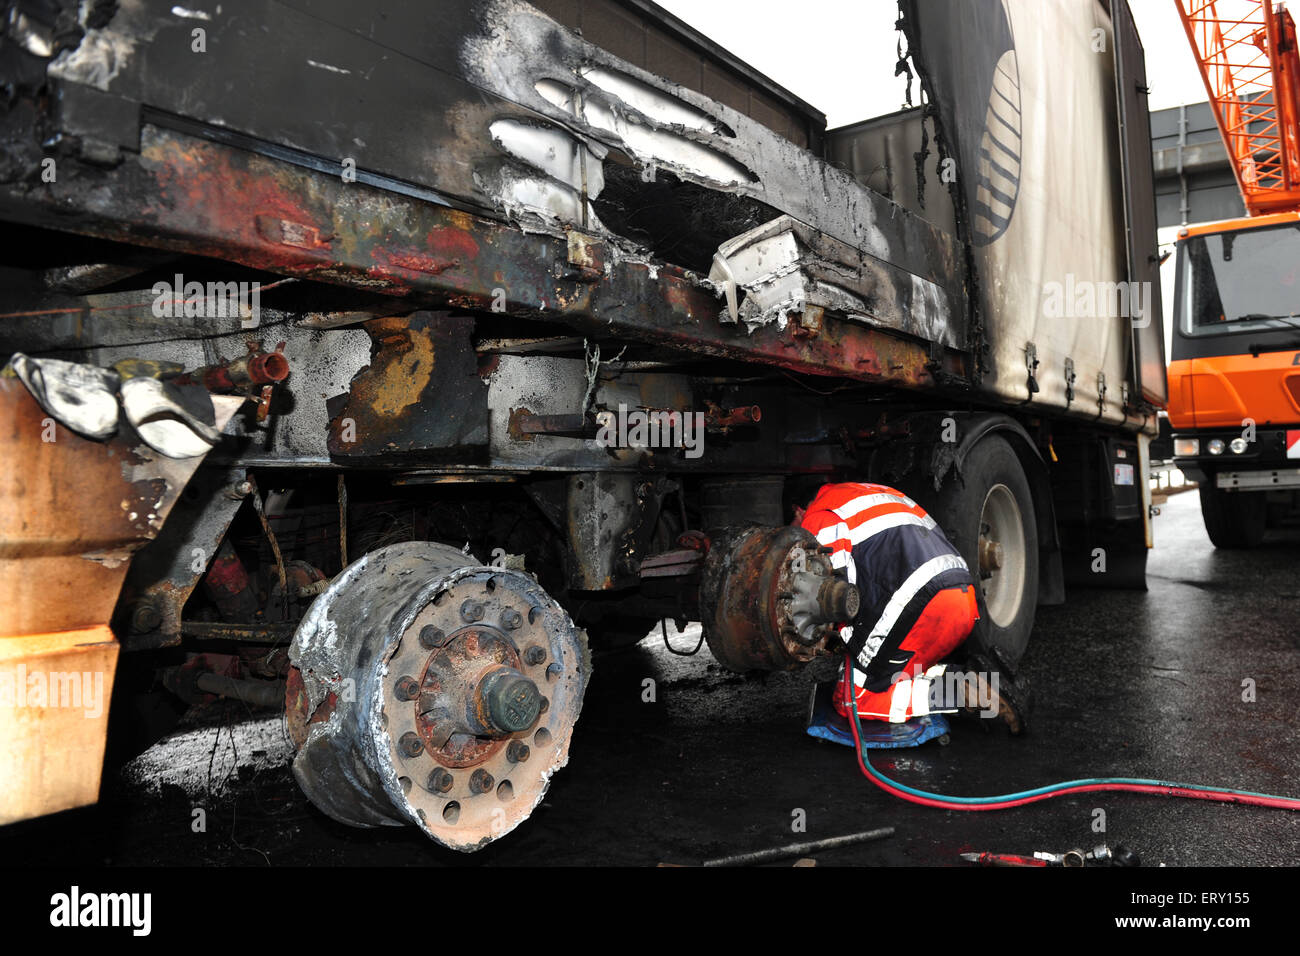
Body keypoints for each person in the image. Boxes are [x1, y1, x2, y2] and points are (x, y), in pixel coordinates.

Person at [794, 481, 1026, 733]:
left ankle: (965, 692)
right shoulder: (872, 493)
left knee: (852, 698)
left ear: (798, 512)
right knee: (899, 675)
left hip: (919, 599)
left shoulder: (819, 515)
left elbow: (833, 592)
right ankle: (989, 679)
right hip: (962, 596)